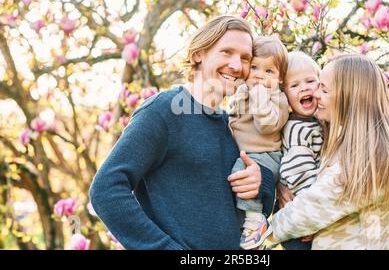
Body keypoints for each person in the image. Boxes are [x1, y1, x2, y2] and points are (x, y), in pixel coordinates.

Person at [89, 15, 275, 250]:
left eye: (245, 58)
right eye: (226, 52)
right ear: (199, 54)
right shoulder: (163, 110)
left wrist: (262, 182)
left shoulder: (234, 125)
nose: (237, 66)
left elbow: (250, 209)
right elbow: (105, 189)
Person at [266, 54, 389, 250]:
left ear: (349, 96)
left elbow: (308, 212)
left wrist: (260, 230)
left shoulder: (372, 156)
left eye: (323, 89)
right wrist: (283, 186)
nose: (315, 94)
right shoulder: (347, 141)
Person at [228, 35, 289, 249]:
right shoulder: (244, 91)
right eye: (254, 68)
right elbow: (234, 118)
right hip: (249, 153)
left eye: (269, 71)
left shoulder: (278, 99)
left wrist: (259, 96)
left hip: (267, 156)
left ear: (281, 78)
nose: (260, 76)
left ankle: (255, 222)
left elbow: (267, 125)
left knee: (241, 172)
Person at [276, 51, 324, 250]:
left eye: (310, 81)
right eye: (294, 85)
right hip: (301, 215)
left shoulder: (315, 122)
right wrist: (310, 217)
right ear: (285, 95)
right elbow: (299, 173)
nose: (304, 87)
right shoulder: (297, 129)